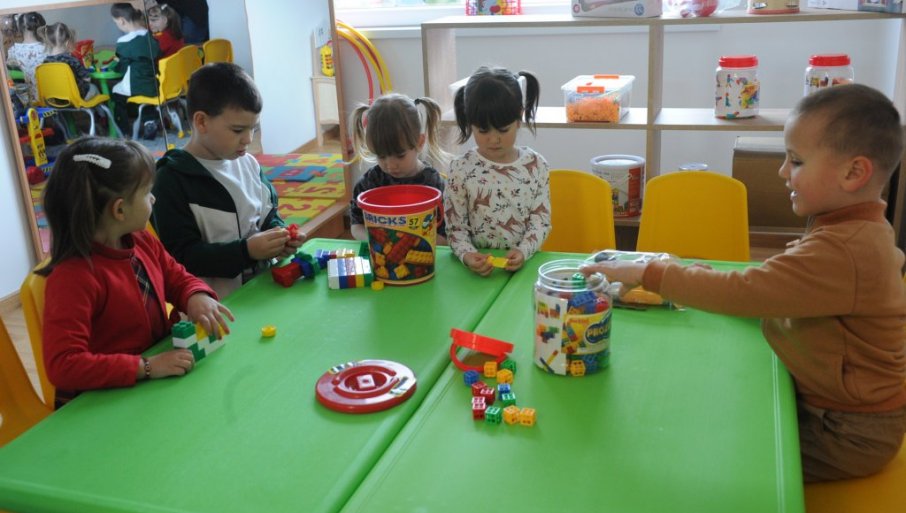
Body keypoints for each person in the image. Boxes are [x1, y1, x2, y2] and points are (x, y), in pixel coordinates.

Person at [582, 84, 906, 483]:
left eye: (796, 161)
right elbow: (776, 288)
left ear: (854, 173)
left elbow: (746, 292)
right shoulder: (851, 228)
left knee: (717, 457)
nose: (782, 171)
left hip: (846, 431)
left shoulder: (847, 249)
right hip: (830, 407)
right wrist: (699, 277)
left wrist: (648, 272)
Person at [38, 137, 233, 409]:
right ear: (119, 209)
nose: (153, 198)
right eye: (146, 192)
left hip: (151, 379)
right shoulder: (72, 278)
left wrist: (194, 295)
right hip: (101, 402)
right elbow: (63, 365)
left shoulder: (140, 239)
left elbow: (175, 276)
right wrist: (146, 366)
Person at [152, 62, 303, 298]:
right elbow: (182, 257)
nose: (248, 139)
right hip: (215, 308)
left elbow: (267, 215)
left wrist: (280, 236)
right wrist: (246, 252)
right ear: (201, 122)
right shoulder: (171, 179)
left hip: (264, 292)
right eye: (237, 130)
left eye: (253, 128)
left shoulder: (248, 164)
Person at [444, 65, 551, 276]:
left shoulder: (536, 165)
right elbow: (455, 228)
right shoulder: (460, 169)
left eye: (503, 129)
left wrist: (523, 251)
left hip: (522, 269)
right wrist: (467, 255)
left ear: (519, 118)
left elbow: (541, 222)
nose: (494, 139)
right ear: (470, 122)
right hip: (476, 272)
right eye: (483, 130)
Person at [349, 92, 449, 243]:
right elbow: (356, 225)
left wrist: (413, 246)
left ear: (419, 142)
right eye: (381, 156)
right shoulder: (371, 182)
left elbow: (445, 235)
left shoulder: (433, 183)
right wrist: (378, 242)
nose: (390, 165)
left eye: (400, 155)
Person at [110, 3, 161, 137]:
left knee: (116, 92)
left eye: (116, 22)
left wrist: (113, 66)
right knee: (146, 94)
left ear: (122, 21)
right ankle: (149, 120)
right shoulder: (150, 36)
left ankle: (123, 130)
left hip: (137, 83)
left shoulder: (124, 41)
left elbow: (121, 67)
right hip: (154, 83)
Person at [40, 22, 99, 100]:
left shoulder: (45, 62)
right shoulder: (71, 60)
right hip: (76, 97)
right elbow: (87, 78)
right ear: (67, 42)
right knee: (94, 87)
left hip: (56, 99)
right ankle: (100, 108)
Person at [6, 12, 47, 105]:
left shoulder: (13, 51)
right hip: (49, 99)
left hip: (26, 102)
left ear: (20, 29)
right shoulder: (48, 48)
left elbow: (16, 81)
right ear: (42, 27)